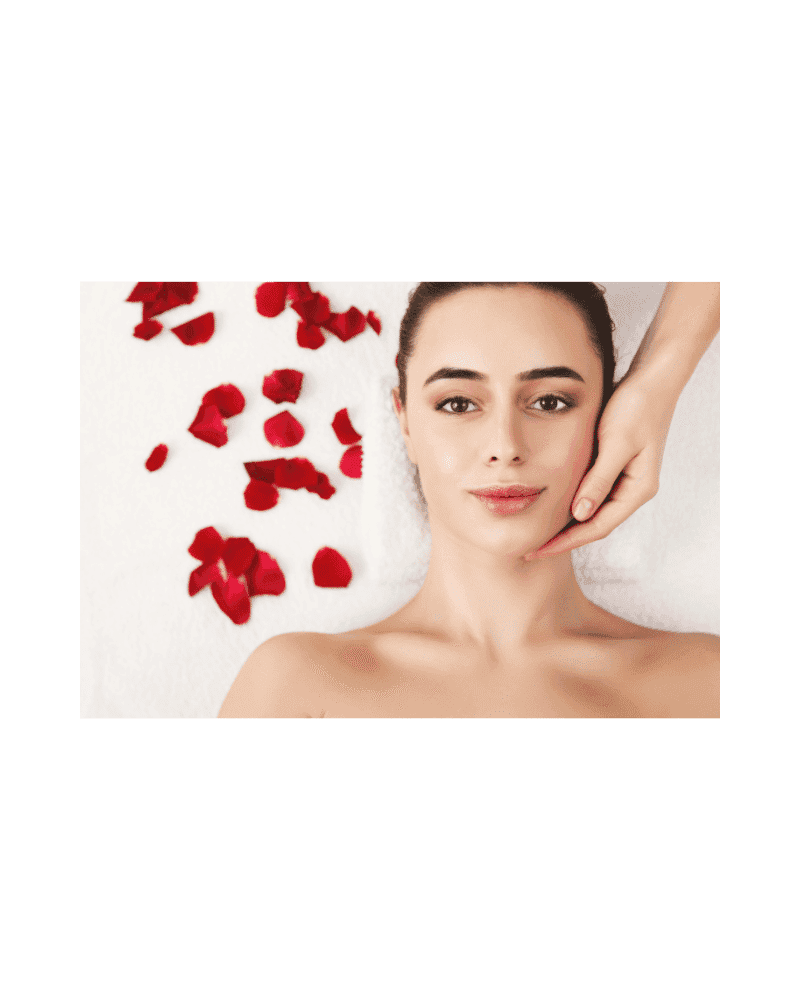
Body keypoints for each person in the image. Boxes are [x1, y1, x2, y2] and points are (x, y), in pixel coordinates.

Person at [218, 281, 720, 719]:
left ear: (607, 417)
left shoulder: (703, 682)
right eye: (458, 403)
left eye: (550, 402)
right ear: (404, 422)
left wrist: (657, 384)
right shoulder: (296, 683)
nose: (505, 446)